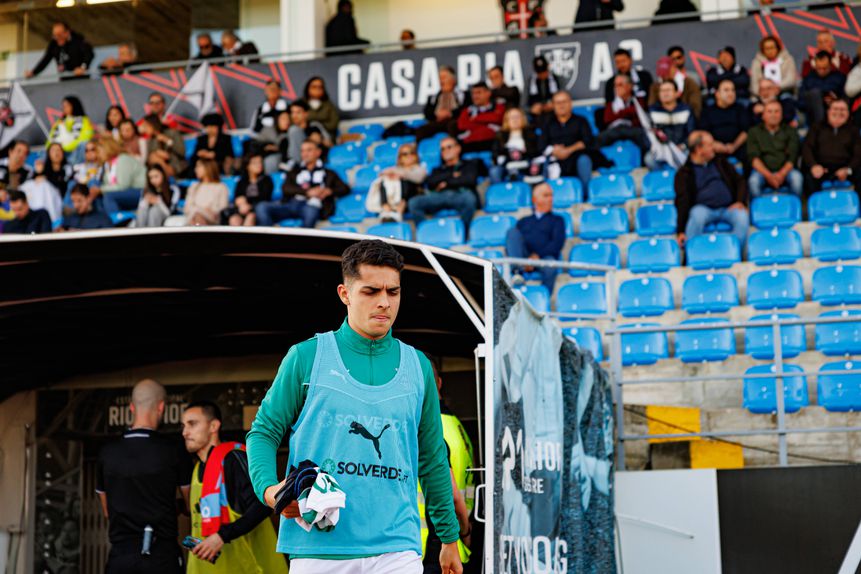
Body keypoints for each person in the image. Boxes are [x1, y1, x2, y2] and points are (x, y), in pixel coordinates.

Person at [246, 239, 463, 574]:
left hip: (397, 549)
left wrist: (449, 538)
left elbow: (432, 458)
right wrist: (269, 489)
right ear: (345, 294)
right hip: (319, 547)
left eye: (393, 292)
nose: (384, 302)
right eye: (371, 291)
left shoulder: (419, 366)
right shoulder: (306, 357)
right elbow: (263, 432)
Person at [95, 379, 192, 574]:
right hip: (161, 557)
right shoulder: (173, 450)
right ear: (161, 407)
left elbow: (107, 512)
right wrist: (176, 506)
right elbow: (191, 505)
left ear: (131, 407)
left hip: (121, 557)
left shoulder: (107, 453)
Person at [181, 401, 286, 574]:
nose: (185, 432)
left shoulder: (233, 459)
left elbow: (264, 505)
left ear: (214, 426)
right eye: (183, 426)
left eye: (192, 424)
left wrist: (222, 536)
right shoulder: (197, 468)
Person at [420, 359, 474, 574]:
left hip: (435, 546)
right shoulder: (455, 426)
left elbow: (451, 493)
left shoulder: (431, 430)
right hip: (451, 543)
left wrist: (465, 532)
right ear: (439, 383)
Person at [675, 131, 749, 249]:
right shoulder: (684, 173)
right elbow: (682, 201)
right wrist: (680, 231)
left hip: (728, 208)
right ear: (699, 149)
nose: (714, 147)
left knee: (742, 216)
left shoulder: (721, 162)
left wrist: (740, 201)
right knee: (696, 215)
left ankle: (734, 252)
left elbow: (740, 181)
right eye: (710, 145)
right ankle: (692, 252)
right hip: (703, 209)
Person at [256, 139, 348, 228]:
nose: (305, 154)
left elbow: (345, 188)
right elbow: (285, 188)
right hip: (291, 204)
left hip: (311, 206)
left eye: (309, 150)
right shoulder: (294, 171)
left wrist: (329, 191)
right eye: (302, 151)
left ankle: (300, 239)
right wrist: (307, 192)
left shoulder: (328, 173)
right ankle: (269, 238)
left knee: (311, 212)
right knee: (261, 207)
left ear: (318, 152)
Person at [505, 183, 566, 294]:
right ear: (534, 199)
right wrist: (527, 261)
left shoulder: (558, 220)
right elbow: (514, 244)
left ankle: (543, 297)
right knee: (512, 232)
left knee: (551, 266)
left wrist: (536, 257)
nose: (550, 199)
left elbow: (557, 244)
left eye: (551, 195)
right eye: (546, 195)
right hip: (524, 258)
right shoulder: (523, 221)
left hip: (544, 258)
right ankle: (517, 272)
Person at [409, 137, 479, 230]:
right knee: (414, 202)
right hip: (439, 196)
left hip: (460, 195)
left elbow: (470, 180)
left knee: (469, 199)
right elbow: (430, 182)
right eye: (442, 149)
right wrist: (452, 175)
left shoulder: (469, 164)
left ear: (458, 148)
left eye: (449, 147)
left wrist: (446, 183)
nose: (445, 151)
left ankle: (462, 232)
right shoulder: (437, 169)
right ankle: (426, 232)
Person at [801, 98, 861, 193]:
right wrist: (813, 165)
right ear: (828, 111)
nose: (838, 112)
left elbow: (858, 153)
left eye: (842, 110)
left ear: (848, 113)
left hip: (845, 168)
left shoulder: (854, 130)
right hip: (821, 168)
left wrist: (848, 169)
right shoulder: (816, 127)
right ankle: (814, 202)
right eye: (835, 109)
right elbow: (807, 148)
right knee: (809, 178)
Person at [746, 101, 802, 198]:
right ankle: (759, 207)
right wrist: (769, 176)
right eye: (769, 111)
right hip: (762, 171)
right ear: (763, 115)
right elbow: (754, 159)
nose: (773, 115)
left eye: (777, 111)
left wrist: (781, 175)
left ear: (781, 115)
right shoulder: (753, 132)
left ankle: (794, 206)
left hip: (786, 171)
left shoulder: (791, 131)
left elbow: (792, 157)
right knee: (753, 181)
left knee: (797, 179)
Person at [540, 91, 594, 190]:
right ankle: (550, 194)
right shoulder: (548, 124)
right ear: (553, 105)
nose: (561, 105)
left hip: (576, 156)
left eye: (564, 102)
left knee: (584, 160)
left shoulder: (581, 121)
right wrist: (554, 151)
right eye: (558, 103)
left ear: (570, 103)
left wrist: (568, 150)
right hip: (555, 157)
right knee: (546, 163)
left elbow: (588, 141)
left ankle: (585, 194)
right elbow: (541, 145)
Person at [365, 142, 426, 222]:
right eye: (405, 154)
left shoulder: (420, 169)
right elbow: (382, 174)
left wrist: (400, 174)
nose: (409, 156)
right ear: (400, 157)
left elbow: (419, 178)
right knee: (384, 181)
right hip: (393, 199)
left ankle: (398, 210)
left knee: (404, 182)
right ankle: (386, 207)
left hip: (410, 200)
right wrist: (390, 175)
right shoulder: (395, 169)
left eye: (412, 153)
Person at [646, 80, 696, 170]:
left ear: (677, 93)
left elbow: (691, 132)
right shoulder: (652, 111)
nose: (665, 93)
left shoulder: (686, 109)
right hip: (661, 149)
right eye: (662, 91)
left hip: (682, 148)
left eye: (668, 90)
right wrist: (659, 147)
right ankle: (663, 177)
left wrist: (683, 146)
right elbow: (648, 133)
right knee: (649, 159)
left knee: (690, 157)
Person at [698, 79, 749, 163]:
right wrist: (714, 144)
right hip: (714, 152)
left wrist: (734, 146)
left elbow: (745, 131)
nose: (731, 93)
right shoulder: (707, 112)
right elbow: (703, 133)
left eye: (733, 90)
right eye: (726, 90)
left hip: (738, 151)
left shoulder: (740, 109)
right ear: (717, 94)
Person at [93, 136, 147, 212]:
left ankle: (117, 219)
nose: (97, 155)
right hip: (128, 191)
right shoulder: (107, 165)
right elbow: (109, 185)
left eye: (99, 151)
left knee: (109, 196)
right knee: (98, 197)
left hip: (142, 191)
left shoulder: (123, 159)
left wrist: (101, 189)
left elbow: (123, 186)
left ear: (108, 149)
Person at [596, 73, 647, 152]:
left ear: (630, 86)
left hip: (633, 130)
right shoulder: (611, 104)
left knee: (644, 136)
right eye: (615, 85)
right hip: (615, 131)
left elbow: (639, 117)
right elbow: (608, 119)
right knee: (599, 138)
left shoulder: (638, 101)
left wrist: (619, 113)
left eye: (620, 85)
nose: (617, 88)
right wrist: (628, 114)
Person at [26, 21, 93, 79]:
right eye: (55, 35)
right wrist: (33, 72)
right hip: (64, 80)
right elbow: (45, 60)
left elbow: (89, 54)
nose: (57, 38)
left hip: (80, 79)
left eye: (59, 35)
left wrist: (83, 68)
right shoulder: (54, 44)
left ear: (67, 32)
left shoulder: (78, 41)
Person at [417, 66, 467, 142]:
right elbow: (427, 112)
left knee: (452, 126)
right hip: (437, 122)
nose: (441, 81)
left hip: (454, 122)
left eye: (444, 78)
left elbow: (466, 109)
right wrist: (436, 114)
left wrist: (450, 113)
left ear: (453, 80)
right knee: (422, 130)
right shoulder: (433, 97)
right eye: (440, 78)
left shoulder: (464, 95)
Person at [491, 107, 540, 183]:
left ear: (523, 119)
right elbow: (496, 153)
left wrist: (523, 154)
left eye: (517, 117)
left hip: (526, 163)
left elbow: (536, 152)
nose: (515, 120)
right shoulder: (500, 136)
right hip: (507, 164)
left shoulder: (531, 134)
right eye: (512, 117)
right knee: (495, 170)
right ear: (507, 120)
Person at [456, 81, 505, 152]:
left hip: (492, 146)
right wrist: (487, 124)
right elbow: (461, 125)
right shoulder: (467, 110)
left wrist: (475, 119)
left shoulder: (498, 106)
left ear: (488, 93)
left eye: (478, 93)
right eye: (473, 93)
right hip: (469, 147)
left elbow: (497, 118)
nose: (475, 96)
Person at [800, 50, 846, 124]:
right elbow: (800, 102)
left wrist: (835, 100)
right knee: (814, 94)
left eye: (824, 68)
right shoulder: (808, 79)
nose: (821, 71)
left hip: (834, 110)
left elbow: (846, 100)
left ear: (830, 65)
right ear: (815, 65)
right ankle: (820, 125)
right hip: (813, 115)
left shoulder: (839, 78)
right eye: (818, 68)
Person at [226, 153, 273, 226]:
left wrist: (249, 206)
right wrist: (240, 202)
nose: (259, 165)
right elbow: (238, 196)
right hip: (242, 209)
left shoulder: (266, 180)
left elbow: (265, 198)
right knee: (234, 220)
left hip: (257, 211)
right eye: (255, 163)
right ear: (247, 166)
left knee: (250, 218)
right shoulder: (242, 181)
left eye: (260, 162)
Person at [48, 96, 94, 164]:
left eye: (67, 105)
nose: (64, 108)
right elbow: (50, 138)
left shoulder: (84, 120)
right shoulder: (59, 122)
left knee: (84, 144)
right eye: (63, 106)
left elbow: (85, 138)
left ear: (74, 106)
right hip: (58, 151)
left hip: (74, 152)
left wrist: (65, 147)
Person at [284, 100, 332, 165]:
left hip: (317, 161)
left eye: (298, 112)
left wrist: (320, 140)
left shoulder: (315, 125)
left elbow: (330, 144)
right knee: (294, 130)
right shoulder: (289, 129)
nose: (294, 116)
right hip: (297, 163)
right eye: (292, 112)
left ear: (306, 114)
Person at [140, 113, 187, 178]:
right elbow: (147, 160)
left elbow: (182, 152)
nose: (144, 129)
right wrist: (157, 153)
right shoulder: (150, 141)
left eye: (145, 126)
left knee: (153, 157)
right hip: (158, 169)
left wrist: (168, 141)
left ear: (152, 125)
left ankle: (167, 176)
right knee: (153, 156)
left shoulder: (173, 133)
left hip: (177, 165)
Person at [185, 158, 229, 226]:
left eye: (198, 166)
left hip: (212, 218)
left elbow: (223, 207)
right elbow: (187, 208)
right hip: (194, 216)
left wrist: (208, 211)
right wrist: (202, 210)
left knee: (198, 217)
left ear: (207, 168)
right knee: (198, 216)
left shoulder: (221, 187)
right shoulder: (194, 186)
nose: (195, 170)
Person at [526, 56, 560, 121]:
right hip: (536, 118)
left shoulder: (557, 79)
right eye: (539, 72)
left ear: (548, 66)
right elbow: (523, 105)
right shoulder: (530, 81)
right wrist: (531, 109)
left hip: (555, 117)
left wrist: (555, 104)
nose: (542, 74)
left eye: (544, 71)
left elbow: (565, 98)